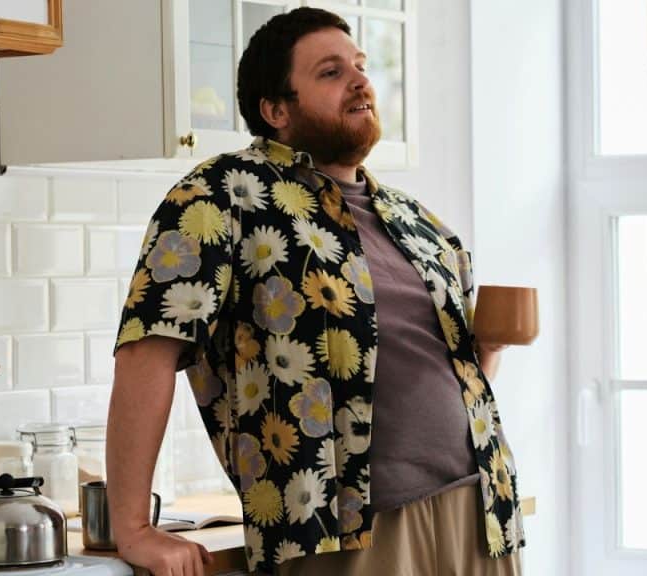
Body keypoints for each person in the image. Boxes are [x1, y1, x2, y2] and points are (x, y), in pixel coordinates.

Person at [107, 7, 524, 575]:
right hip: (345, 532)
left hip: (479, 515)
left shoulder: (420, 224)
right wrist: (132, 529)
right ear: (275, 110)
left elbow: (456, 378)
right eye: (330, 72)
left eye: (360, 66)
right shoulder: (221, 195)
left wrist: (488, 350)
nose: (360, 80)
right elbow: (145, 352)